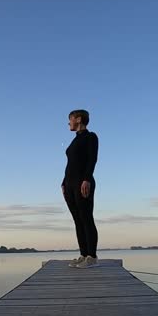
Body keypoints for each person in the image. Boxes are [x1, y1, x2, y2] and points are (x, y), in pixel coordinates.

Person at [61, 109, 99, 268]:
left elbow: (92, 159)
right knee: (77, 220)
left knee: (86, 218)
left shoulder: (90, 137)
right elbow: (70, 164)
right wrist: (63, 183)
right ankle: (83, 255)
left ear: (78, 119)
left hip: (82, 183)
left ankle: (92, 257)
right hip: (69, 184)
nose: (68, 122)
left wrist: (87, 179)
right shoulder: (74, 141)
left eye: (70, 119)